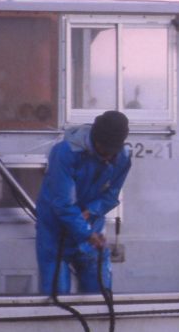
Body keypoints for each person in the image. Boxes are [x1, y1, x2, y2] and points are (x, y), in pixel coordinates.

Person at [36, 110, 132, 294]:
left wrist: (91, 212)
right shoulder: (64, 152)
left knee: (100, 294)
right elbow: (63, 203)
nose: (108, 157)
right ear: (95, 140)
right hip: (55, 233)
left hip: (91, 229)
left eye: (113, 152)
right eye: (104, 150)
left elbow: (111, 195)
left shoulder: (123, 158)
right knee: (57, 296)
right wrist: (85, 231)